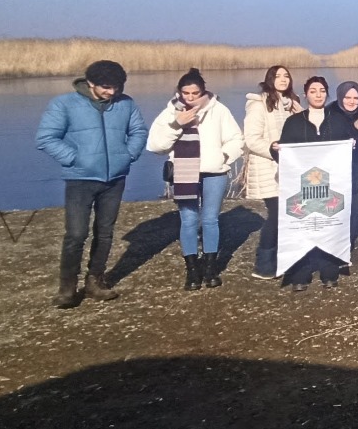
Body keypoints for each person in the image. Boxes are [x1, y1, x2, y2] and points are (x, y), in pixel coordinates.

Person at [36, 60, 148, 308]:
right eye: (107, 87)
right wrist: (75, 159)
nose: (112, 93)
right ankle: (67, 289)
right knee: (76, 234)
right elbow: (45, 138)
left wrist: (127, 155)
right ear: (90, 84)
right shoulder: (64, 104)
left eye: (117, 87)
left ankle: (95, 282)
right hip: (79, 179)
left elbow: (139, 131)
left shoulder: (126, 104)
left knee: (105, 232)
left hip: (115, 179)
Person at [146, 68, 243, 292]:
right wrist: (176, 124)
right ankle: (192, 270)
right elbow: (156, 146)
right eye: (185, 93)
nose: (190, 98)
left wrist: (224, 156)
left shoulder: (218, 109)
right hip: (184, 172)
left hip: (214, 171)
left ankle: (210, 269)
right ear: (179, 92)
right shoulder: (170, 112)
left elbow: (236, 138)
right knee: (188, 221)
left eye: (195, 93)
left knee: (210, 220)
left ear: (203, 91)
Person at [277, 76, 356, 291]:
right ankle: (301, 274)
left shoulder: (338, 120)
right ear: (305, 95)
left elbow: (347, 149)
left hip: (331, 186)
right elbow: (284, 154)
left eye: (322, 90)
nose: (318, 94)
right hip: (302, 187)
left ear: (327, 93)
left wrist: (351, 146)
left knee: (329, 225)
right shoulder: (294, 121)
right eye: (313, 91)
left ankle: (329, 271)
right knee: (303, 227)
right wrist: (276, 150)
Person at [243, 65, 302, 280]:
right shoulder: (259, 105)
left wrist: (300, 113)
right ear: (270, 79)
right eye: (278, 76)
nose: (283, 79)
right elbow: (251, 138)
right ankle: (263, 264)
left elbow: (301, 133)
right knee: (277, 214)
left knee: (288, 214)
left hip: (290, 168)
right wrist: (272, 149)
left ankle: (281, 259)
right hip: (269, 167)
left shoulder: (291, 104)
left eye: (286, 75)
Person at [328, 81, 358, 273]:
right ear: (340, 97)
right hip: (334, 175)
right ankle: (332, 251)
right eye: (347, 97)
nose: (352, 101)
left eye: (356, 98)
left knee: (353, 213)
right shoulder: (328, 114)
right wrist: (354, 129)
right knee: (334, 213)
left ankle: (345, 249)